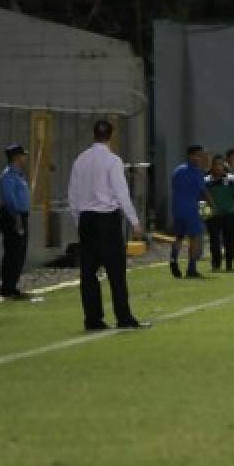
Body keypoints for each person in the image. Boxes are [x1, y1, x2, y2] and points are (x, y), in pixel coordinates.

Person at [68, 119, 150, 331]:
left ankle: (92, 319)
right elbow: (121, 193)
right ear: (111, 136)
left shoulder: (80, 160)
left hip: (86, 219)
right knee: (116, 271)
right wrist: (135, 222)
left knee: (88, 273)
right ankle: (123, 316)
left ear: (93, 134)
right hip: (107, 219)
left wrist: (79, 220)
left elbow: (73, 196)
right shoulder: (113, 161)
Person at [170, 145, 209, 278]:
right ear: (191, 155)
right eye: (198, 155)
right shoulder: (197, 172)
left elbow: (174, 187)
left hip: (177, 208)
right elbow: (203, 192)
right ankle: (191, 268)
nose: (200, 158)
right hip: (191, 209)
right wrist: (211, 205)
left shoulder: (177, 170)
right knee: (195, 237)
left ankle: (173, 259)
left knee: (179, 237)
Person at [0, 143, 31, 299]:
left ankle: (12, 284)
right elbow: (10, 200)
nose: (25, 158)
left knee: (20, 251)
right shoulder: (8, 175)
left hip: (22, 215)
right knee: (13, 250)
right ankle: (7, 286)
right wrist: (17, 218)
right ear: (17, 157)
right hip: (13, 216)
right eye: (22, 155)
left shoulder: (19, 174)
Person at [204, 155, 234, 271]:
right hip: (213, 215)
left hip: (229, 213)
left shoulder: (231, 179)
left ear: (224, 165)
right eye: (216, 164)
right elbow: (202, 198)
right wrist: (204, 214)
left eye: (220, 164)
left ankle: (229, 263)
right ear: (212, 166)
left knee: (229, 240)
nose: (218, 167)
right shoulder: (206, 180)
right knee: (214, 240)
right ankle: (216, 263)